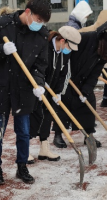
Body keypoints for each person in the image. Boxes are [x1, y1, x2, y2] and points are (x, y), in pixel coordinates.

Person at [0, 0, 51, 186]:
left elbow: (40, 65)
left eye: (43, 22)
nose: (40, 24)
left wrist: (38, 83)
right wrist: (0, 50)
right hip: (0, 87)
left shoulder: (42, 35)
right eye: (38, 20)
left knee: (23, 132)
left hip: (24, 90)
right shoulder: (1, 25)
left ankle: (22, 166)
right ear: (28, 12)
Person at [55, 10, 107, 149]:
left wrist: (86, 90)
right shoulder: (86, 37)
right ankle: (58, 134)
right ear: (106, 33)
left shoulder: (105, 51)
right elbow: (67, 53)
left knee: (89, 102)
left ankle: (88, 135)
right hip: (68, 77)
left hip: (83, 81)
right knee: (63, 103)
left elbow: (95, 73)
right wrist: (65, 75)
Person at [29, 26, 81, 161]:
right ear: (62, 40)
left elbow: (63, 74)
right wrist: (40, 83)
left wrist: (58, 93)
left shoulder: (64, 53)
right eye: (69, 46)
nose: (69, 50)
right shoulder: (44, 47)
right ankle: (25, 150)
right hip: (36, 88)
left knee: (47, 117)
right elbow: (35, 66)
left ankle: (44, 149)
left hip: (51, 90)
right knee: (32, 118)